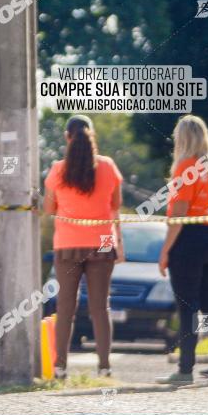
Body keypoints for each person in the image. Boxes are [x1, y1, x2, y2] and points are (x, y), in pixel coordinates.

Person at [44, 115, 124, 379]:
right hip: (102, 242)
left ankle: (60, 367)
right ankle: (104, 367)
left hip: (67, 243)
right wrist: (119, 244)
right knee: (101, 307)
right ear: (92, 135)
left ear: (68, 137)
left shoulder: (58, 169)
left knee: (65, 307)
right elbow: (115, 207)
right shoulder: (108, 166)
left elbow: (49, 209)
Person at [156, 115, 208, 385]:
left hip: (190, 241)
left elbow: (178, 215)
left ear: (182, 139)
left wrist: (165, 251)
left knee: (187, 307)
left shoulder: (186, 167)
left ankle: (185, 370)